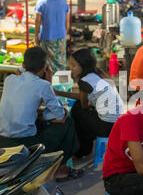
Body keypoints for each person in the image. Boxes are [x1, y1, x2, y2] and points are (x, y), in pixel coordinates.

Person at [0, 46, 83, 181]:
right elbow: (60, 116)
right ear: (45, 67)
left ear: (23, 64)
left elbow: (20, 71)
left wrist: (41, 116)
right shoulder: (43, 85)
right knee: (68, 122)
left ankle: (54, 166)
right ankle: (58, 168)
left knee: (40, 120)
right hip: (24, 145)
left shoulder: (10, 80)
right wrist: (49, 82)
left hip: (2, 141)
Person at [56, 48, 124, 158]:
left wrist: (58, 93)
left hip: (107, 126)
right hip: (118, 121)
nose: (71, 69)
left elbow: (84, 104)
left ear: (83, 65)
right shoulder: (97, 73)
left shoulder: (84, 81)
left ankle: (82, 150)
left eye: (73, 66)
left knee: (76, 111)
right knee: (82, 112)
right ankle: (85, 146)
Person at [34, 0, 70, 74]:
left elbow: (37, 21)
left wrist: (35, 36)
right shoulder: (63, 3)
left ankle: (49, 85)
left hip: (47, 37)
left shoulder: (41, 3)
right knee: (61, 62)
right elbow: (67, 21)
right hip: (61, 37)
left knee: (47, 64)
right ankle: (61, 85)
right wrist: (65, 33)